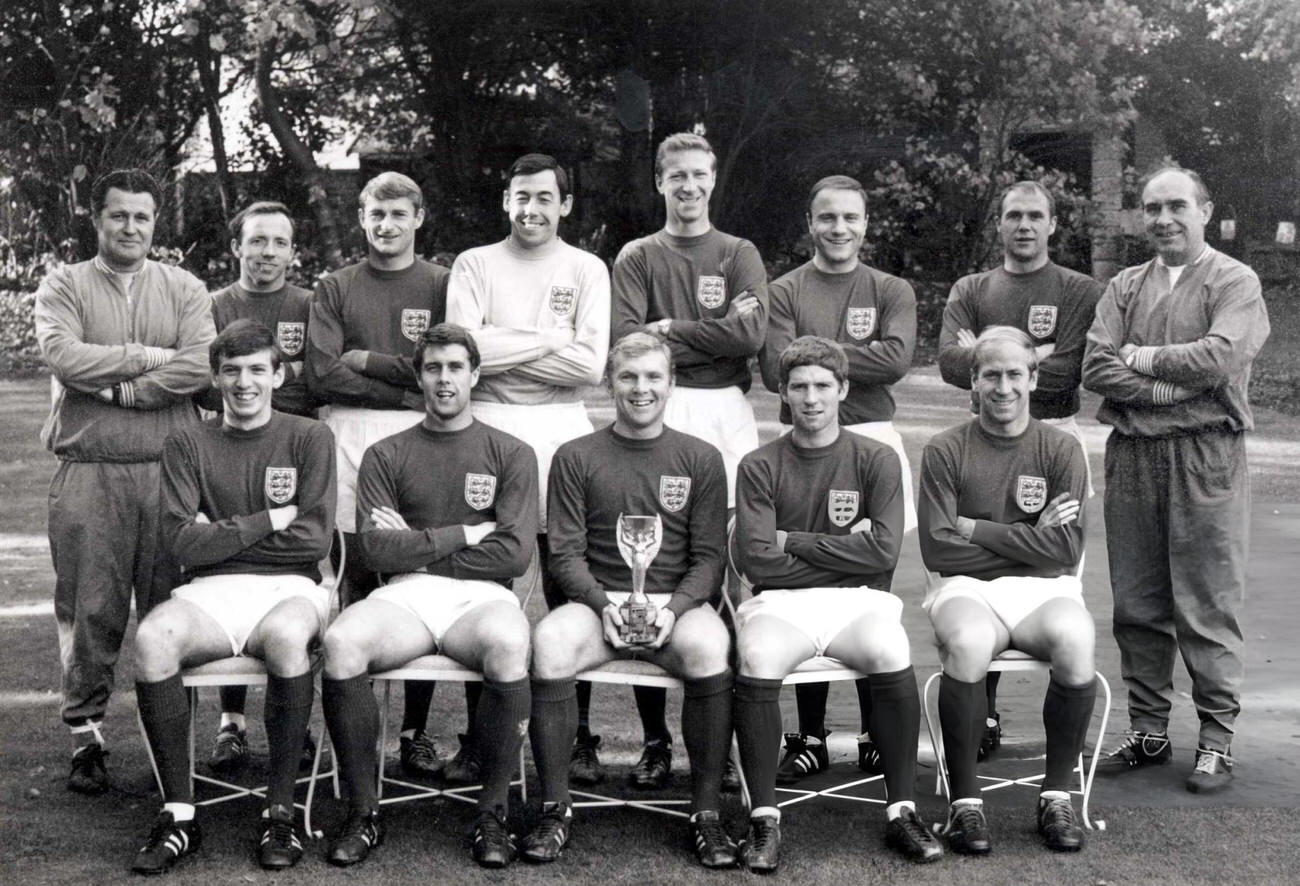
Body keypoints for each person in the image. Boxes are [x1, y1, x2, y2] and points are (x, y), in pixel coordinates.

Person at [319, 323, 537, 869]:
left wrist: (411, 544)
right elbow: (373, 552)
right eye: (433, 368)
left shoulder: (512, 452)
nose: (444, 379)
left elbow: (512, 556)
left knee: (511, 646)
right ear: (418, 377)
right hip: (406, 597)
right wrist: (462, 534)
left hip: (482, 598)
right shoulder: (386, 452)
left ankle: (492, 812)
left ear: (475, 374)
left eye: (455, 367)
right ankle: (363, 810)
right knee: (343, 641)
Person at [1082, 166, 1269, 793]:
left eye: (1176, 206)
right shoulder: (1126, 286)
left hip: (1206, 455)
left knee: (1207, 597)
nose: (1163, 218)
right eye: (1151, 207)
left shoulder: (1234, 280)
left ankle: (1216, 740)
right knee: (1137, 599)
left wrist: (1149, 362)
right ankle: (1149, 730)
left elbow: (1223, 357)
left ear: (1205, 210)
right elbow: (1097, 365)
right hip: (1133, 455)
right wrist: (1166, 386)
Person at [521, 332, 736, 868]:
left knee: (711, 648)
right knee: (549, 642)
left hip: (674, 604)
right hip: (601, 606)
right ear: (608, 383)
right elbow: (565, 555)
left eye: (653, 377)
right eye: (628, 377)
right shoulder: (575, 456)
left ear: (672, 383)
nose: (641, 389)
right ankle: (554, 807)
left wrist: (673, 609)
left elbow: (710, 559)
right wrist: (603, 606)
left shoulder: (701, 457)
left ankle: (706, 813)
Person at [129, 320, 336, 874]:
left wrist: (216, 533)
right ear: (216, 378)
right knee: (151, 640)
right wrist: (271, 518)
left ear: (278, 373)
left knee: (289, 639)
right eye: (232, 371)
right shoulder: (187, 441)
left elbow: (313, 538)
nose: (245, 383)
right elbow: (181, 542)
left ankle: (280, 812)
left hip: (291, 587)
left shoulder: (309, 436)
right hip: (209, 592)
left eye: (256, 370)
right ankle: (178, 815)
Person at [34, 168, 215, 794]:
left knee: (175, 608)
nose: (130, 227)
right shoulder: (64, 285)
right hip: (91, 474)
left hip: (172, 477)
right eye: (119, 215)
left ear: (155, 222)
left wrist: (118, 390)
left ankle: (175, 744)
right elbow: (64, 357)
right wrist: (142, 358)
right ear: (98, 219)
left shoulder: (185, 287)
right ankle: (87, 737)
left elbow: (197, 366)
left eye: (141, 216)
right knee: (91, 608)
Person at [733, 336, 942, 872]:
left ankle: (902, 810)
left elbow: (883, 555)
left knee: (890, 646)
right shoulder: (758, 464)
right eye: (799, 386)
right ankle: (763, 818)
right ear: (782, 393)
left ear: (844, 389)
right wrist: (846, 551)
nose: (811, 398)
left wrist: (792, 541)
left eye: (823, 385)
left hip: (858, 600)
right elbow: (758, 564)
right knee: (756, 656)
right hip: (779, 603)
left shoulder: (877, 458)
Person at [445, 152, 609, 784]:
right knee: (487, 587)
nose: (531, 209)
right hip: (487, 434)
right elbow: (464, 351)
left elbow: (590, 368)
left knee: (570, 586)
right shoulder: (475, 263)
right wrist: (548, 338)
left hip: (564, 434)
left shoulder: (586, 267)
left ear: (564, 205)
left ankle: (579, 738)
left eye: (545, 197)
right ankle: (482, 736)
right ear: (505, 201)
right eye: (521, 197)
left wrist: (502, 342)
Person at [609, 131, 766, 788]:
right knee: (649, 567)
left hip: (725, 414)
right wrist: (705, 336)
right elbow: (627, 344)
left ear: (712, 180)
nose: (690, 186)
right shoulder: (639, 254)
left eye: (700, 175)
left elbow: (752, 335)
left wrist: (673, 332)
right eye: (678, 176)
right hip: (658, 413)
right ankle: (653, 740)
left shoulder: (737, 252)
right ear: (660, 182)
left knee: (723, 573)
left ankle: (721, 740)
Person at [760, 174, 918, 785]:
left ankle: (877, 733)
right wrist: (851, 356)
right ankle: (810, 736)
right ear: (810, 221)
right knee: (804, 585)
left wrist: (813, 353)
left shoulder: (890, 287)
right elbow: (779, 364)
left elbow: (899, 358)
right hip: (801, 449)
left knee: (869, 584)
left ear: (866, 223)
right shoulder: (784, 289)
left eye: (850, 217)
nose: (839, 228)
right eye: (827, 217)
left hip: (872, 442)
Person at [937, 180, 1103, 761]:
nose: (1024, 225)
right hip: (984, 440)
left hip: (1055, 436)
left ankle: (1060, 749)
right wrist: (1037, 350)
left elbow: (1067, 372)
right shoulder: (972, 286)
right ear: (1000, 224)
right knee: (977, 585)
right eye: (1014, 215)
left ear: (1053, 224)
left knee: (1049, 566)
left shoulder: (1079, 288)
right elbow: (950, 365)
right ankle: (982, 716)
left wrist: (987, 346)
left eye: (1036, 215)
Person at [918, 325, 1094, 855]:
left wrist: (974, 528)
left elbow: (1065, 550)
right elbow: (938, 551)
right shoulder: (945, 448)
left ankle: (1056, 795)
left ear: (1034, 378)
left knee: (1076, 640)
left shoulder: (1063, 448)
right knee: (969, 643)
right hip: (966, 588)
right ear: (972, 381)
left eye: (1015, 374)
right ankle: (965, 804)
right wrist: (1030, 535)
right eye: (990, 374)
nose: (1003, 387)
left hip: (1045, 590)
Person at [304, 171, 456, 781]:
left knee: (419, 577)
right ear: (361, 219)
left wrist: (368, 359)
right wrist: (405, 388)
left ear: (419, 217)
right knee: (356, 577)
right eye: (376, 214)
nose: (387, 225)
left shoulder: (444, 283)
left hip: (424, 440)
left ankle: (415, 732)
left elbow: (453, 360)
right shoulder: (335, 285)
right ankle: (355, 734)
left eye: (398, 213)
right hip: (350, 436)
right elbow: (321, 372)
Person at [202, 200, 319, 773]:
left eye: (279, 242)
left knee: (287, 578)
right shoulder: (215, 304)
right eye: (257, 241)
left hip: (291, 450)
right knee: (227, 568)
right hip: (227, 451)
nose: (267, 251)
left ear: (293, 251)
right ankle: (231, 723)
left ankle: (292, 725)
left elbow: (315, 381)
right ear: (237, 248)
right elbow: (207, 386)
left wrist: (283, 395)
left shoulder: (307, 304)